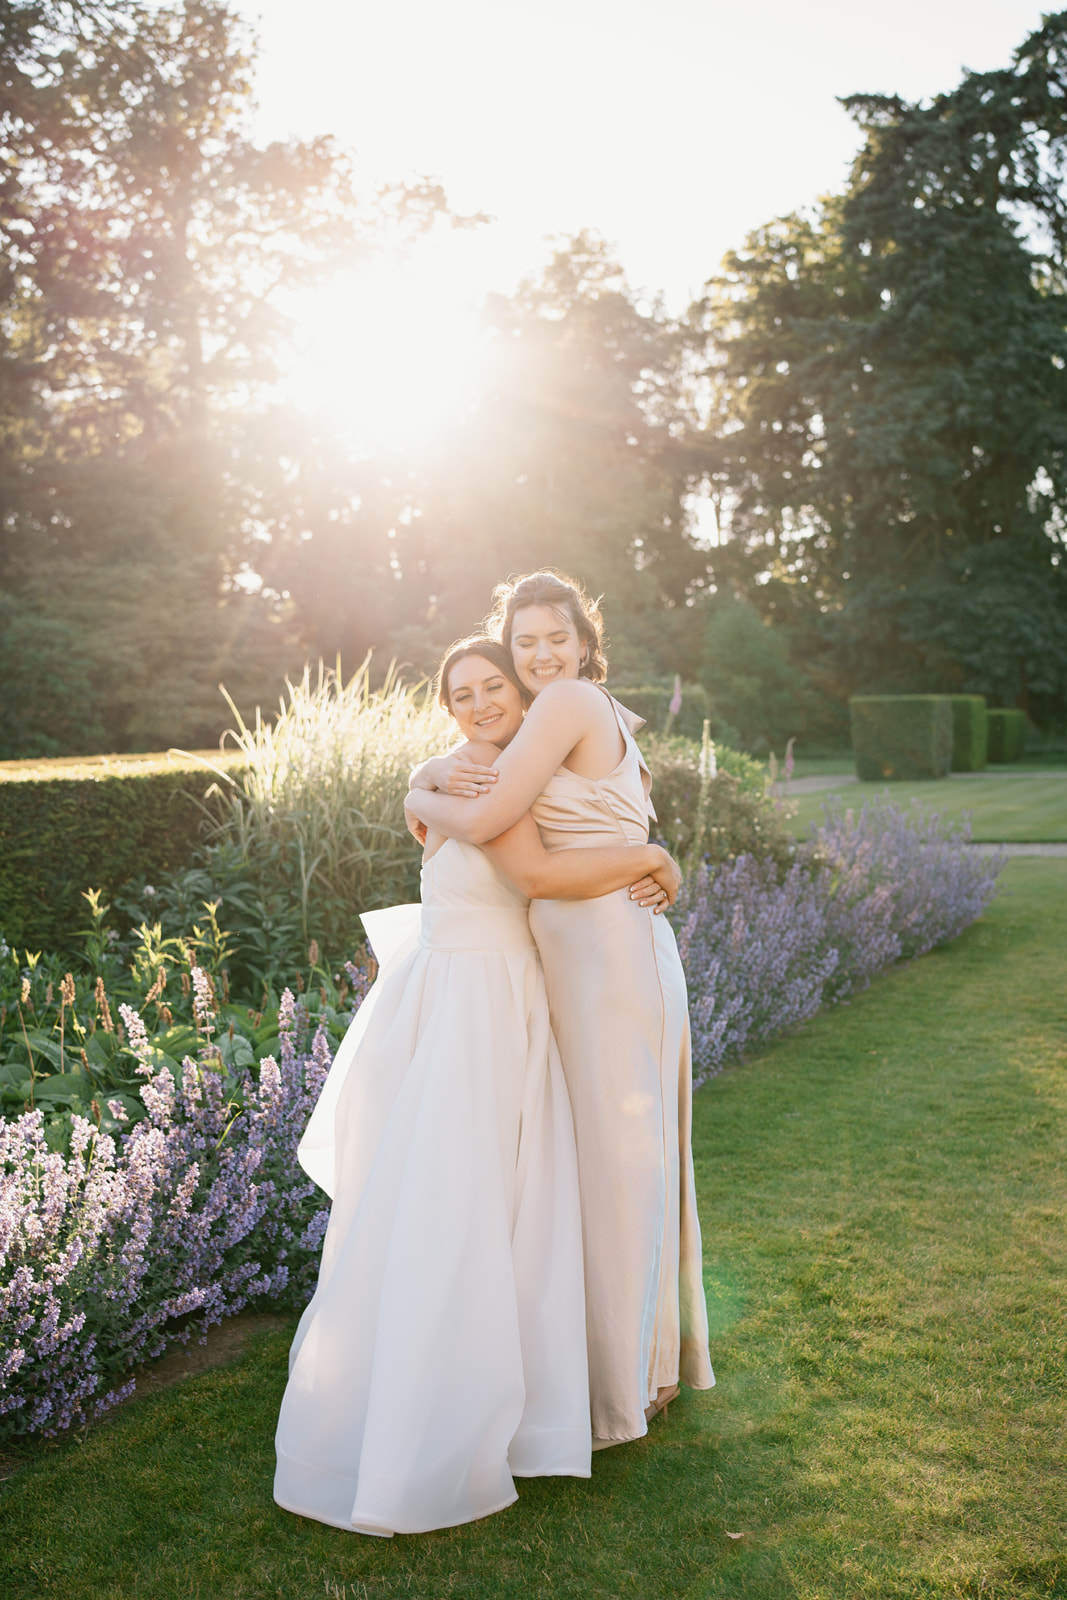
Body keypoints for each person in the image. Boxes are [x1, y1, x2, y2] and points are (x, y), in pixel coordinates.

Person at [274, 637, 682, 1537]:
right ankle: (420, 1403)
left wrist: (648, 858)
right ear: (447, 704)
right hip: (462, 1010)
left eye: (493, 685)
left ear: (520, 693)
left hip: (506, 1004)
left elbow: (531, 860)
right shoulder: (455, 776)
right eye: (462, 692)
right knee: (447, 1202)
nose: (480, 701)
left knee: (513, 1209)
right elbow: (509, 858)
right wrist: (651, 860)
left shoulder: (510, 780)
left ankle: (518, 1396)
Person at [406, 573, 714, 1449]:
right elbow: (506, 794)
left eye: (555, 637)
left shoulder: (569, 699)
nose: (540, 654)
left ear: (583, 638)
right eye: (525, 641)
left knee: (622, 1167)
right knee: (619, 1162)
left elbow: (502, 820)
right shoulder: (580, 709)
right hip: (591, 947)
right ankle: (642, 1363)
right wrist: (648, 852)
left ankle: (631, 1385)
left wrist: (415, 800)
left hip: (607, 949)